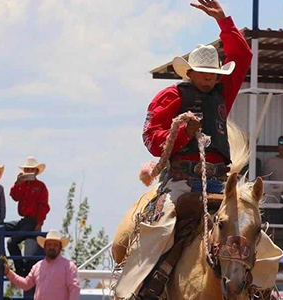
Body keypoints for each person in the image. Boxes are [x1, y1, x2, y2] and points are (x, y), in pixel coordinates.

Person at [117, 1, 252, 299]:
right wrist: (180, 134)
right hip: (180, 182)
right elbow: (152, 139)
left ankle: (260, 289)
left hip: (219, 181)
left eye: (212, 73)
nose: (208, 78)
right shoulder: (171, 96)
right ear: (190, 73)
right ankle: (138, 289)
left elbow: (242, 55)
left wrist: (223, 20)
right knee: (160, 229)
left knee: (251, 229)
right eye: (202, 73)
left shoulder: (223, 91)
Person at [4, 230, 80, 300]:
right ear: (44, 247)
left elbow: (74, 289)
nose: (52, 247)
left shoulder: (69, 267)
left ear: (60, 248)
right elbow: (26, 284)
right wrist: (8, 273)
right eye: (49, 244)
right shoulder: (37, 266)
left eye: (55, 245)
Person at [6, 156, 50, 275]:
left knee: (11, 242)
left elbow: (43, 206)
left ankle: (20, 269)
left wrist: (39, 222)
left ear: (36, 171)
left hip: (32, 221)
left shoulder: (40, 186)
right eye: (27, 169)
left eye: (31, 169)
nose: (29, 172)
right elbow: (15, 196)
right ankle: (18, 267)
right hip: (25, 220)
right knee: (1, 228)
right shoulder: (23, 184)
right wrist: (17, 183)